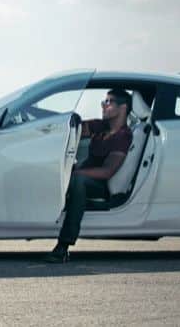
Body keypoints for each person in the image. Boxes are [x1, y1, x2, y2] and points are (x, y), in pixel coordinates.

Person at [43, 89, 133, 263]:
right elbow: (73, 129)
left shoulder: (123, 136)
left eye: (108, 102)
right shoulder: (101, 126)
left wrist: (75, 172)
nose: (103, 104)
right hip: (84, 176)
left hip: (100, 185)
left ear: (123, 108)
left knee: (78, 181)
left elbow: (107, 172)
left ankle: (63, 246)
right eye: (104, 101)